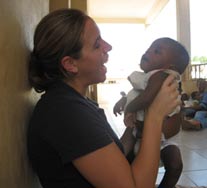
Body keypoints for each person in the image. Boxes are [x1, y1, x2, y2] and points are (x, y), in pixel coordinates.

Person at [27, 8, 181, 188]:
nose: (108, 47)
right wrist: (154, 117)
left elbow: (110, 157)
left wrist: (132, 130)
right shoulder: (65, 113)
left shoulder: (74, 103)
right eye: (97, 44)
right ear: (70, 64)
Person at [122, 37, 189, 188]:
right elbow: (135, 93)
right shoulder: (147, 76)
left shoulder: (163, 75)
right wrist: (123, 100)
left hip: (164, 136)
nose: (148, 52)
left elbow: (146, 98)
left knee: (174, 164)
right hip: (144, 132)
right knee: (174, 166)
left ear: (170, 66)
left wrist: (129, 108)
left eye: (157, 51)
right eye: (149, 49)